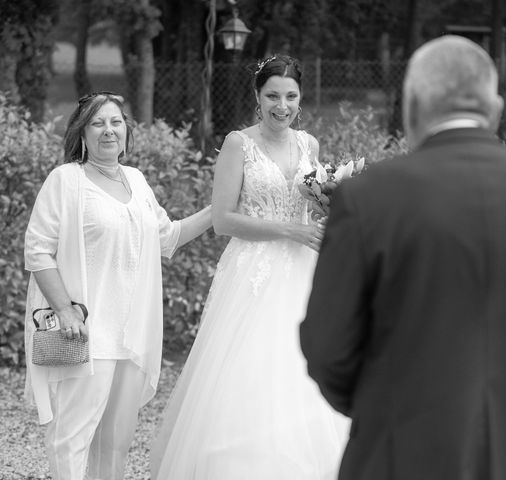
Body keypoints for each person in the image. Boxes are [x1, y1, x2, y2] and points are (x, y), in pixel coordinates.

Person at [300, 35, 506, 480]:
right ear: (496, 109)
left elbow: (327, 347)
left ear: (412, 106)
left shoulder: (367, 197)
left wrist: (386, 404)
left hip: (401, 452)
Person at [150, 55, 349, 480]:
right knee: (250, 370)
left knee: (303, 371)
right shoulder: (239, 144)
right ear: (257, 98)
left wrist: (326, 213)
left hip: (303, 270)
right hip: (254, 272)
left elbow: (309, 210)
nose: (282, 105)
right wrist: (289, 231)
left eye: (291, 96)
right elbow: (223, 220)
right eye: (273, 96)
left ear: (300, 99)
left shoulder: (308, 144)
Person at [23, 91, 213, 480]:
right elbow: (38, 250)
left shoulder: (137, 181)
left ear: (126, 130)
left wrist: (219, 210)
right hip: (86, 333)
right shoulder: (66, 181)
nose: (108, 130)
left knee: (116, 442)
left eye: (115, 122)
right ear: (82, 133)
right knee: (72, 437)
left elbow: (168, 236)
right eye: (98, 123)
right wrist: (64, 310)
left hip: (132, 335)